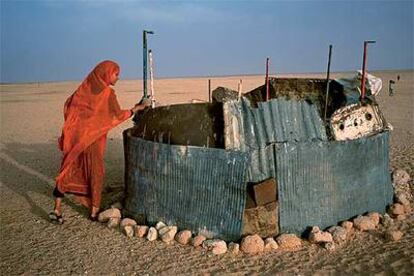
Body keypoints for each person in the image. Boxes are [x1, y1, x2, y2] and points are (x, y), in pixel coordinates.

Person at [49, 60, 150, 224]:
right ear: (105, 74)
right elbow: (116, 115)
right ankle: (94, 211)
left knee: (69, 168)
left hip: (77, 138)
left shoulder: (84, 89)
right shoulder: (107, 94)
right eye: (115, 74)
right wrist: (136, 108)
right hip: (93, 139)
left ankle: (57, 208)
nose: (117, 78)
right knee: (96, 172)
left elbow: (69, 106)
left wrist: (76, 130)